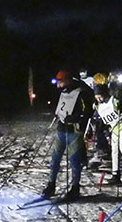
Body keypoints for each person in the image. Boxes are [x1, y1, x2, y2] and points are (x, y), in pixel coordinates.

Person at [41, 70, 95, 201]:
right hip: (61, 129)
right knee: (55, 159)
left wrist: (76, 118)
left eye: (61, 82)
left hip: (75, 131)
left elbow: (88, 112)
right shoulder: (63, 91)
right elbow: (60, 106)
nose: (59, 85)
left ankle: (75, 188)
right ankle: (51, 185)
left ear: (68, 80)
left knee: (74, 161)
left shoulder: (81, 92)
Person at [94, 83, 122, 185]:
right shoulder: (98, 106)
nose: (99, 99)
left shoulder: (113, 100)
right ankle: (115, 173)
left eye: (100, 97)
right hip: (113, 128)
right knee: (114, 151)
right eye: (97, 97)